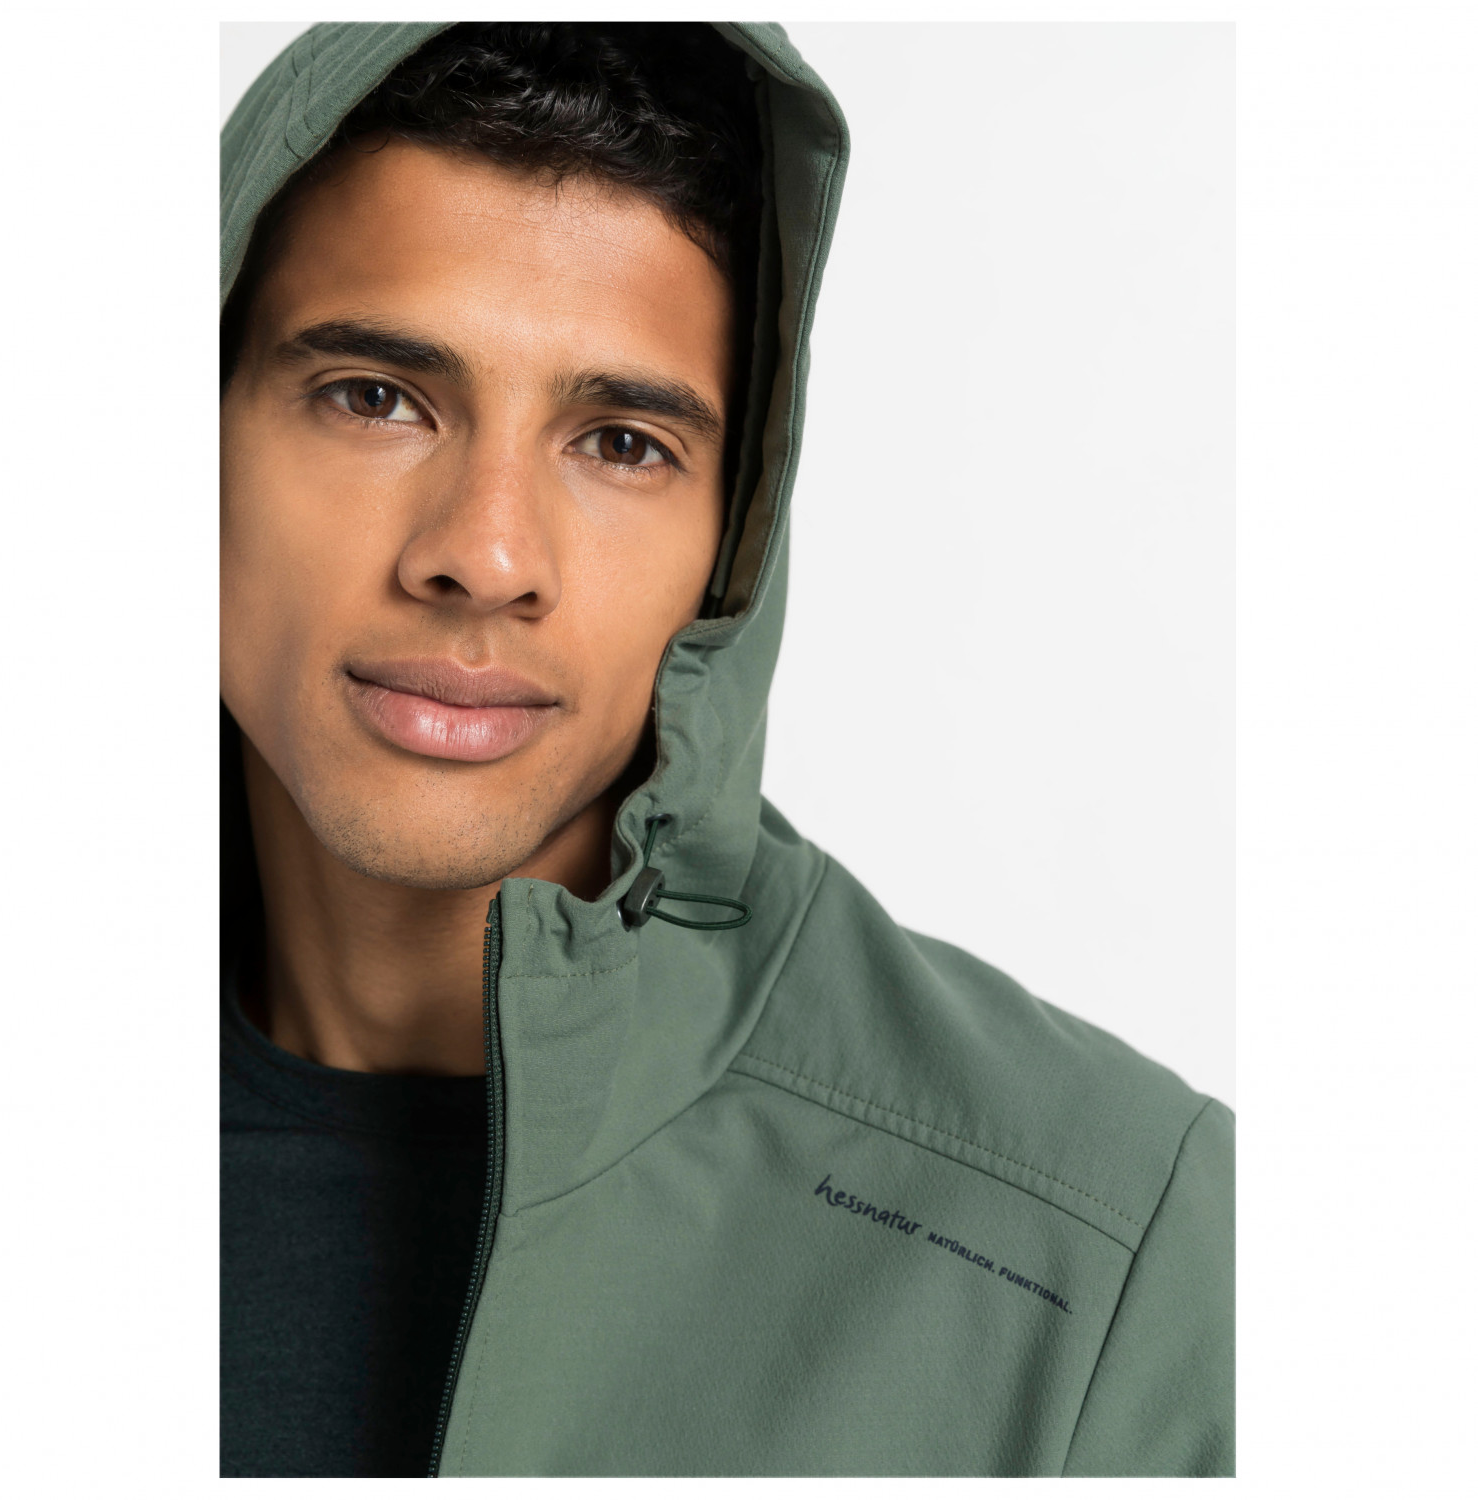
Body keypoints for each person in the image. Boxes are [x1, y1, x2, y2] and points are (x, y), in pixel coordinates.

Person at [219, 20, 1233, 1479]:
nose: (485, 555)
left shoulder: (1120, 1255)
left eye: (622, 441)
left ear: (734, 539)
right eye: (376, 397)